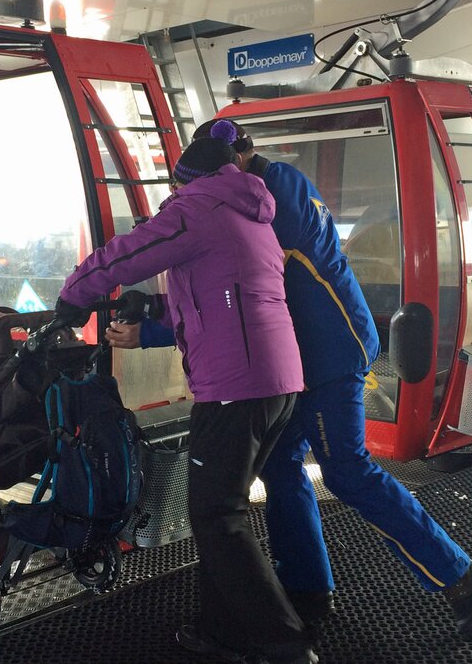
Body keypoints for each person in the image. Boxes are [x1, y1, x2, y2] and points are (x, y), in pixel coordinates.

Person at [106, 119, 472, 642]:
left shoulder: (276, 193)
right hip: (289, 364)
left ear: (242, 159)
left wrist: (156, 315)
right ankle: (307, 592)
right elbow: (225, 290)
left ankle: (458, 577)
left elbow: (230, 277)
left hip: (330, 357)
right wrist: (152, 317)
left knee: (347, 472)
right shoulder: (256, 195)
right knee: (283, 469)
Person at [55, 120, 317, 664]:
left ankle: (284, 644)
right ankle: (225, 634)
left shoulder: (198, 207)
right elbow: (222, 295)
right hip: (276, 384)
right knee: (222, 512)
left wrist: (74, 296)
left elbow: (129, 254)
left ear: (184, 181)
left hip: (236, 388)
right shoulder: (251, 212)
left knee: (217, 515)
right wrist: (154, 309)